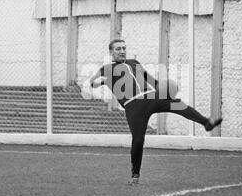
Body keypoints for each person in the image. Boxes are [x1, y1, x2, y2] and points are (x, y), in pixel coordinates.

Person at [89, 39, 223, 185]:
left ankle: (207, 123)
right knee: (138, 140)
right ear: (111, 52)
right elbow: (93, 82)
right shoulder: (107, 68)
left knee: (177, 104)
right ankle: (135, 175)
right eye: (118, 49)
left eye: (123, 48)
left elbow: (151, 80)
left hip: (151, 96)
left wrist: (165, 90)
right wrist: (100, 81)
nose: (122, 51)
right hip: (133, 105)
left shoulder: (134, 62)